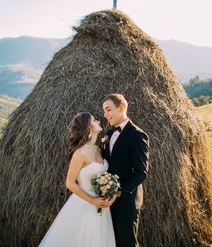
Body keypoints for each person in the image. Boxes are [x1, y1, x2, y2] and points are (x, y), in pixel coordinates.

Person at [39, 112, 118, 247]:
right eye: (94, 120)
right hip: (84, 205)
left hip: (102, 206)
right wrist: (93, 200)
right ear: (87, 127)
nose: (98, 121)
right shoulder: (80, 153)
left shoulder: (98, 149)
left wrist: (112, 192)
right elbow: (70, 183)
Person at [101, 93, 149, 247]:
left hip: (127, 202)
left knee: (128, 244)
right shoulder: (108, 135)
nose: (105, 115)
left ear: (121, 108)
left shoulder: (137, 135)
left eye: (108, 110)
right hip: (108, 203)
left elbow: (141, 172)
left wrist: (118, 191)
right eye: (104, 111)